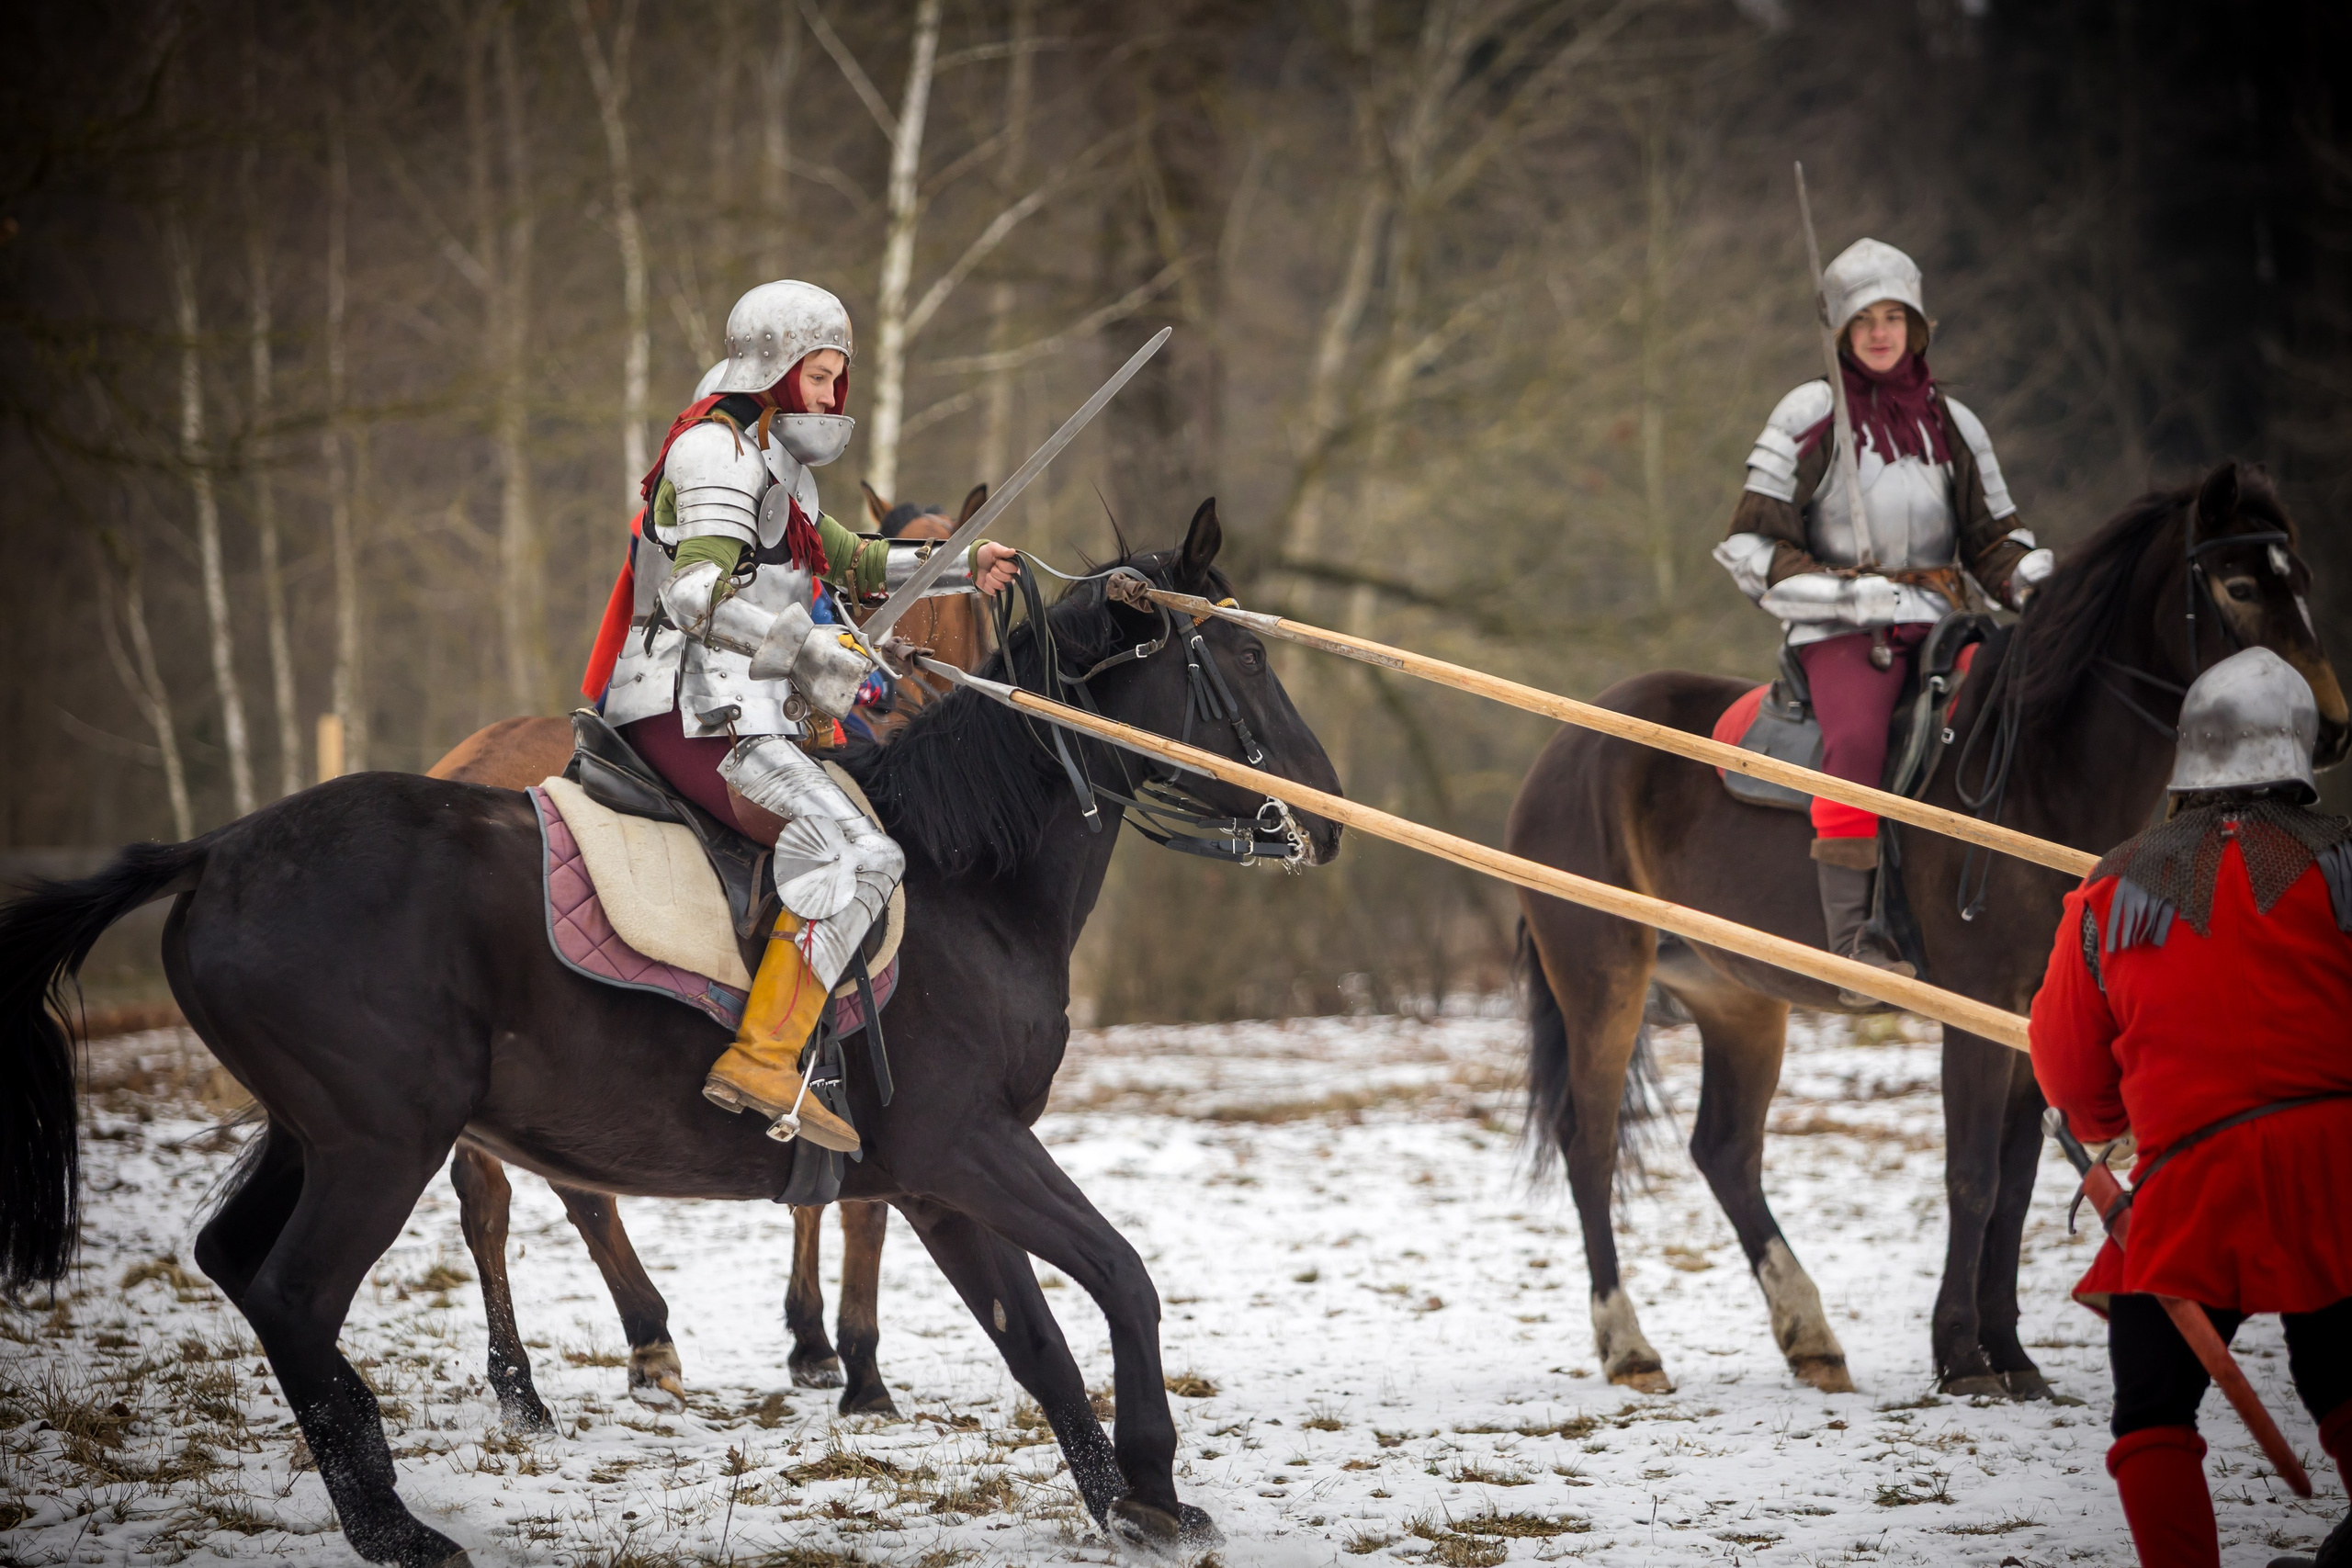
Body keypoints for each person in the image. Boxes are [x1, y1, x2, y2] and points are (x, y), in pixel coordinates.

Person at [582, 280, 1018, 1152]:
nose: (828, 397)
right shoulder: (714, 453)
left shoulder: (775, 463)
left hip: (742, 705)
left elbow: (853, 560)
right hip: (691, 707)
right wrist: (807, 648)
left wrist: (960, 565)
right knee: (863, 853)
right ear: (774, 370)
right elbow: (694, 595)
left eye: (833, 380)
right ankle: (764, 1057)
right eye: (817, 377)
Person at [2028, 647, 2352, 1568]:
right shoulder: (2346, 862)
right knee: (2341, 1374)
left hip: (2195, 1178)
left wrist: (2113, 1127)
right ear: (2299, 751)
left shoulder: (2111, 888)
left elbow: (2068, 1072)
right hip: (2340, 1165)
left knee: (2152, 1405)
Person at [1713, 238, 2055, 978]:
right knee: (1859, 739)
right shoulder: (1810, 413)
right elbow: (1753, 543)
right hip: (1841, 632)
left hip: (1943, 623)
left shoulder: (1954, 423)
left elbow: (1992, 540)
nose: (1880, 332)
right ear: (1841, 330)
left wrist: (2032, 580)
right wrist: (1847, 594)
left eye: (1893, 317)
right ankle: (1854, 939)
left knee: (2015, 712)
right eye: (1865, 320)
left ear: (1916, 327)